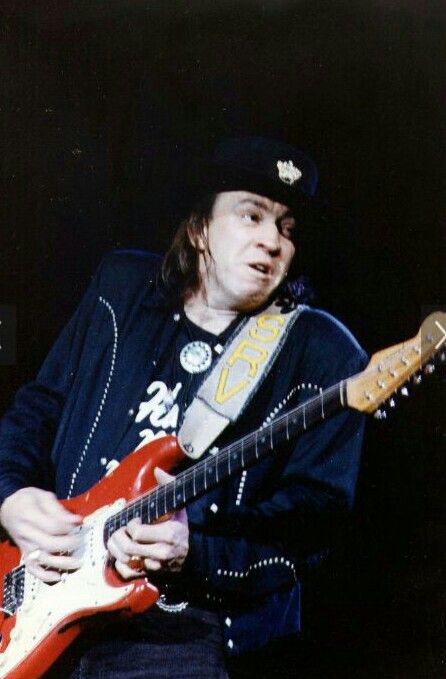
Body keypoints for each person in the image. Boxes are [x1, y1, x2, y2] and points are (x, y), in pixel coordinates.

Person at [0, 137, 367, 678]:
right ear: (199, 229)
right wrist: (11, 493)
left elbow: (313, 522)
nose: (272, 241)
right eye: (252, 215)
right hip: (40, 589)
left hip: (178, 632)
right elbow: (39, 406)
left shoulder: (324, 352)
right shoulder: (121, 288)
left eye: (287, 228)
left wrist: (192, 549)